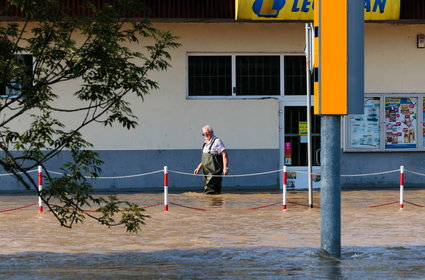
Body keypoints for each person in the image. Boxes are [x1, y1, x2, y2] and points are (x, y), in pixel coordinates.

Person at [194, 125, 229, 194]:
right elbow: (204, 159)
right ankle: (210, 203)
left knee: (212, 188)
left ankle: (215, 203)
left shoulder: (217, 141)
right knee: (207, 187)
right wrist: (198, 168)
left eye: (207, 133)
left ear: (212, 132)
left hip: (214, 170)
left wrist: (226, 168)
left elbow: (224, 154)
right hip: (205, 171)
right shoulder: (205, 143)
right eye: (204, 134)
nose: (206, 135)